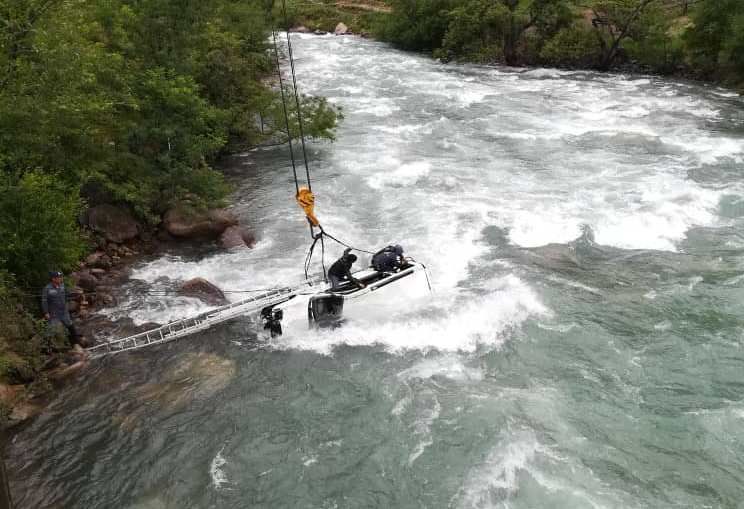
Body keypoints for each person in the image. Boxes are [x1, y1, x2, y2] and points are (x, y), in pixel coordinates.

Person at [41, 271, 81, 345]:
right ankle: (46, 347)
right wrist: (46, 312)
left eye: (61, 277)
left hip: (64, 312)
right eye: (59, 277)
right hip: (54, 313)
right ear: (53, 279)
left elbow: (67, 295)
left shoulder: (62, 286)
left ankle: (75, 342)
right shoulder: (47, 289)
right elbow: (44, 302)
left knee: (70, 325)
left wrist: (76, 294)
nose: (61, 278)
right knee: (51, 330)